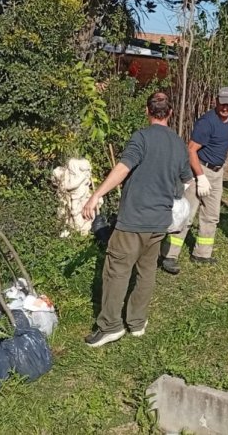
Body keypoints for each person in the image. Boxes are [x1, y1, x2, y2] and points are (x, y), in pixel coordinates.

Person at [81, 91, 192, 347]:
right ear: (171, 113)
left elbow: (123, 167)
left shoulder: (141, 137)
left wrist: (96, 195)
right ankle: (137, 322)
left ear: (147, 110)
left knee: (117, 271)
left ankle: (110, 326)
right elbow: (186, 180)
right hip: (160, 222)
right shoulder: (178, 143)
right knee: (146, 271)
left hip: (134, 220)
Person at [160, 86, 228, 274]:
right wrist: (199, 177)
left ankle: (202, 253)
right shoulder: (207, 122)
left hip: (217, 173)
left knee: (212, 215)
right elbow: (191, 149)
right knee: (185, 215)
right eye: (223, 104)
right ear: (216, 101)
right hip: (199, 169)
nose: (225, 108)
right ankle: (169, 255)